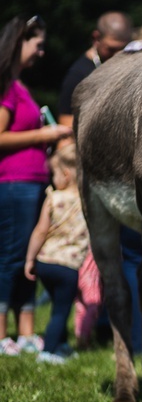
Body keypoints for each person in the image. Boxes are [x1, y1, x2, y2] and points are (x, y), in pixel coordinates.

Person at [0, 15, 73, 356]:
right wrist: (46, 133)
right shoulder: (7, 87)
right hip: (14, 184)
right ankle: (2, 335)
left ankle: (26, 331)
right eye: (38, 44)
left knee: (28, 259)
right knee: (12, 259)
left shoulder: (20, 85)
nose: (42, 53)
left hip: (31, 183)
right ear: (20, 41)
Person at [24, 144, 88, 364]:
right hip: (67, 268)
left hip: (45, 262)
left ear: (66, 174)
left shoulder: (53, 198)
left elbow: (40, 231)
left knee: (56, 306)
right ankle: (48, 352)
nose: (52, 179)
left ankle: (60, 344)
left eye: (54, 174)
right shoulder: (87, 203)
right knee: (61, 310)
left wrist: (30, 258)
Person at [57, 11, 133, 148]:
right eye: (111, 49)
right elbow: (66, 131)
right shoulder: (78, 75)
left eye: (123, 49)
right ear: (96, 37)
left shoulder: (127, 68)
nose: (118, 55)